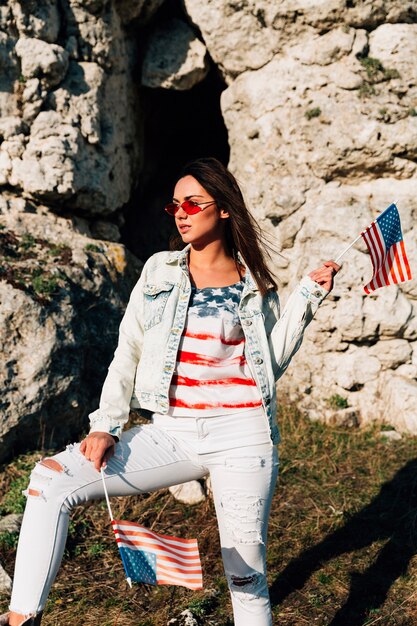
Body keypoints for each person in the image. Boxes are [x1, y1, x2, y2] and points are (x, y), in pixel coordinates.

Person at [2, 157, 340, 626]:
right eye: (174, 206)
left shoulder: (256, 284)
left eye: (192, 203)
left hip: (243, 436)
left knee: (245, 578)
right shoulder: (160, 271)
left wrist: (306, 298)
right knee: (49, 481)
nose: (180, 213)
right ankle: (22, 619)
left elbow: (271, 363)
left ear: (222, 209)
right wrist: (106, 424)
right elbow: (128, 350)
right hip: (171, 431)